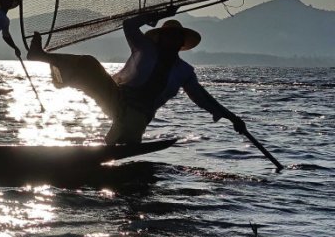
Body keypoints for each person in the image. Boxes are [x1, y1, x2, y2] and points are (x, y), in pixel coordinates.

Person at [26, 8, 247, 145]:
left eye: (175, 37)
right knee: (89, 64)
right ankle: (41, 56)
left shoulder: (184, 72)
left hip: (140, 114)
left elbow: (203, 98)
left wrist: (232, 117)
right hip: (116, 96)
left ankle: (110, 151)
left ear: (181, 43)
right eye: (167, 36)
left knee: (127, 132)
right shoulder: (145, 49)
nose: (170, 40)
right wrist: (157, 15)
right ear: (159, 38)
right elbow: (129, 25)